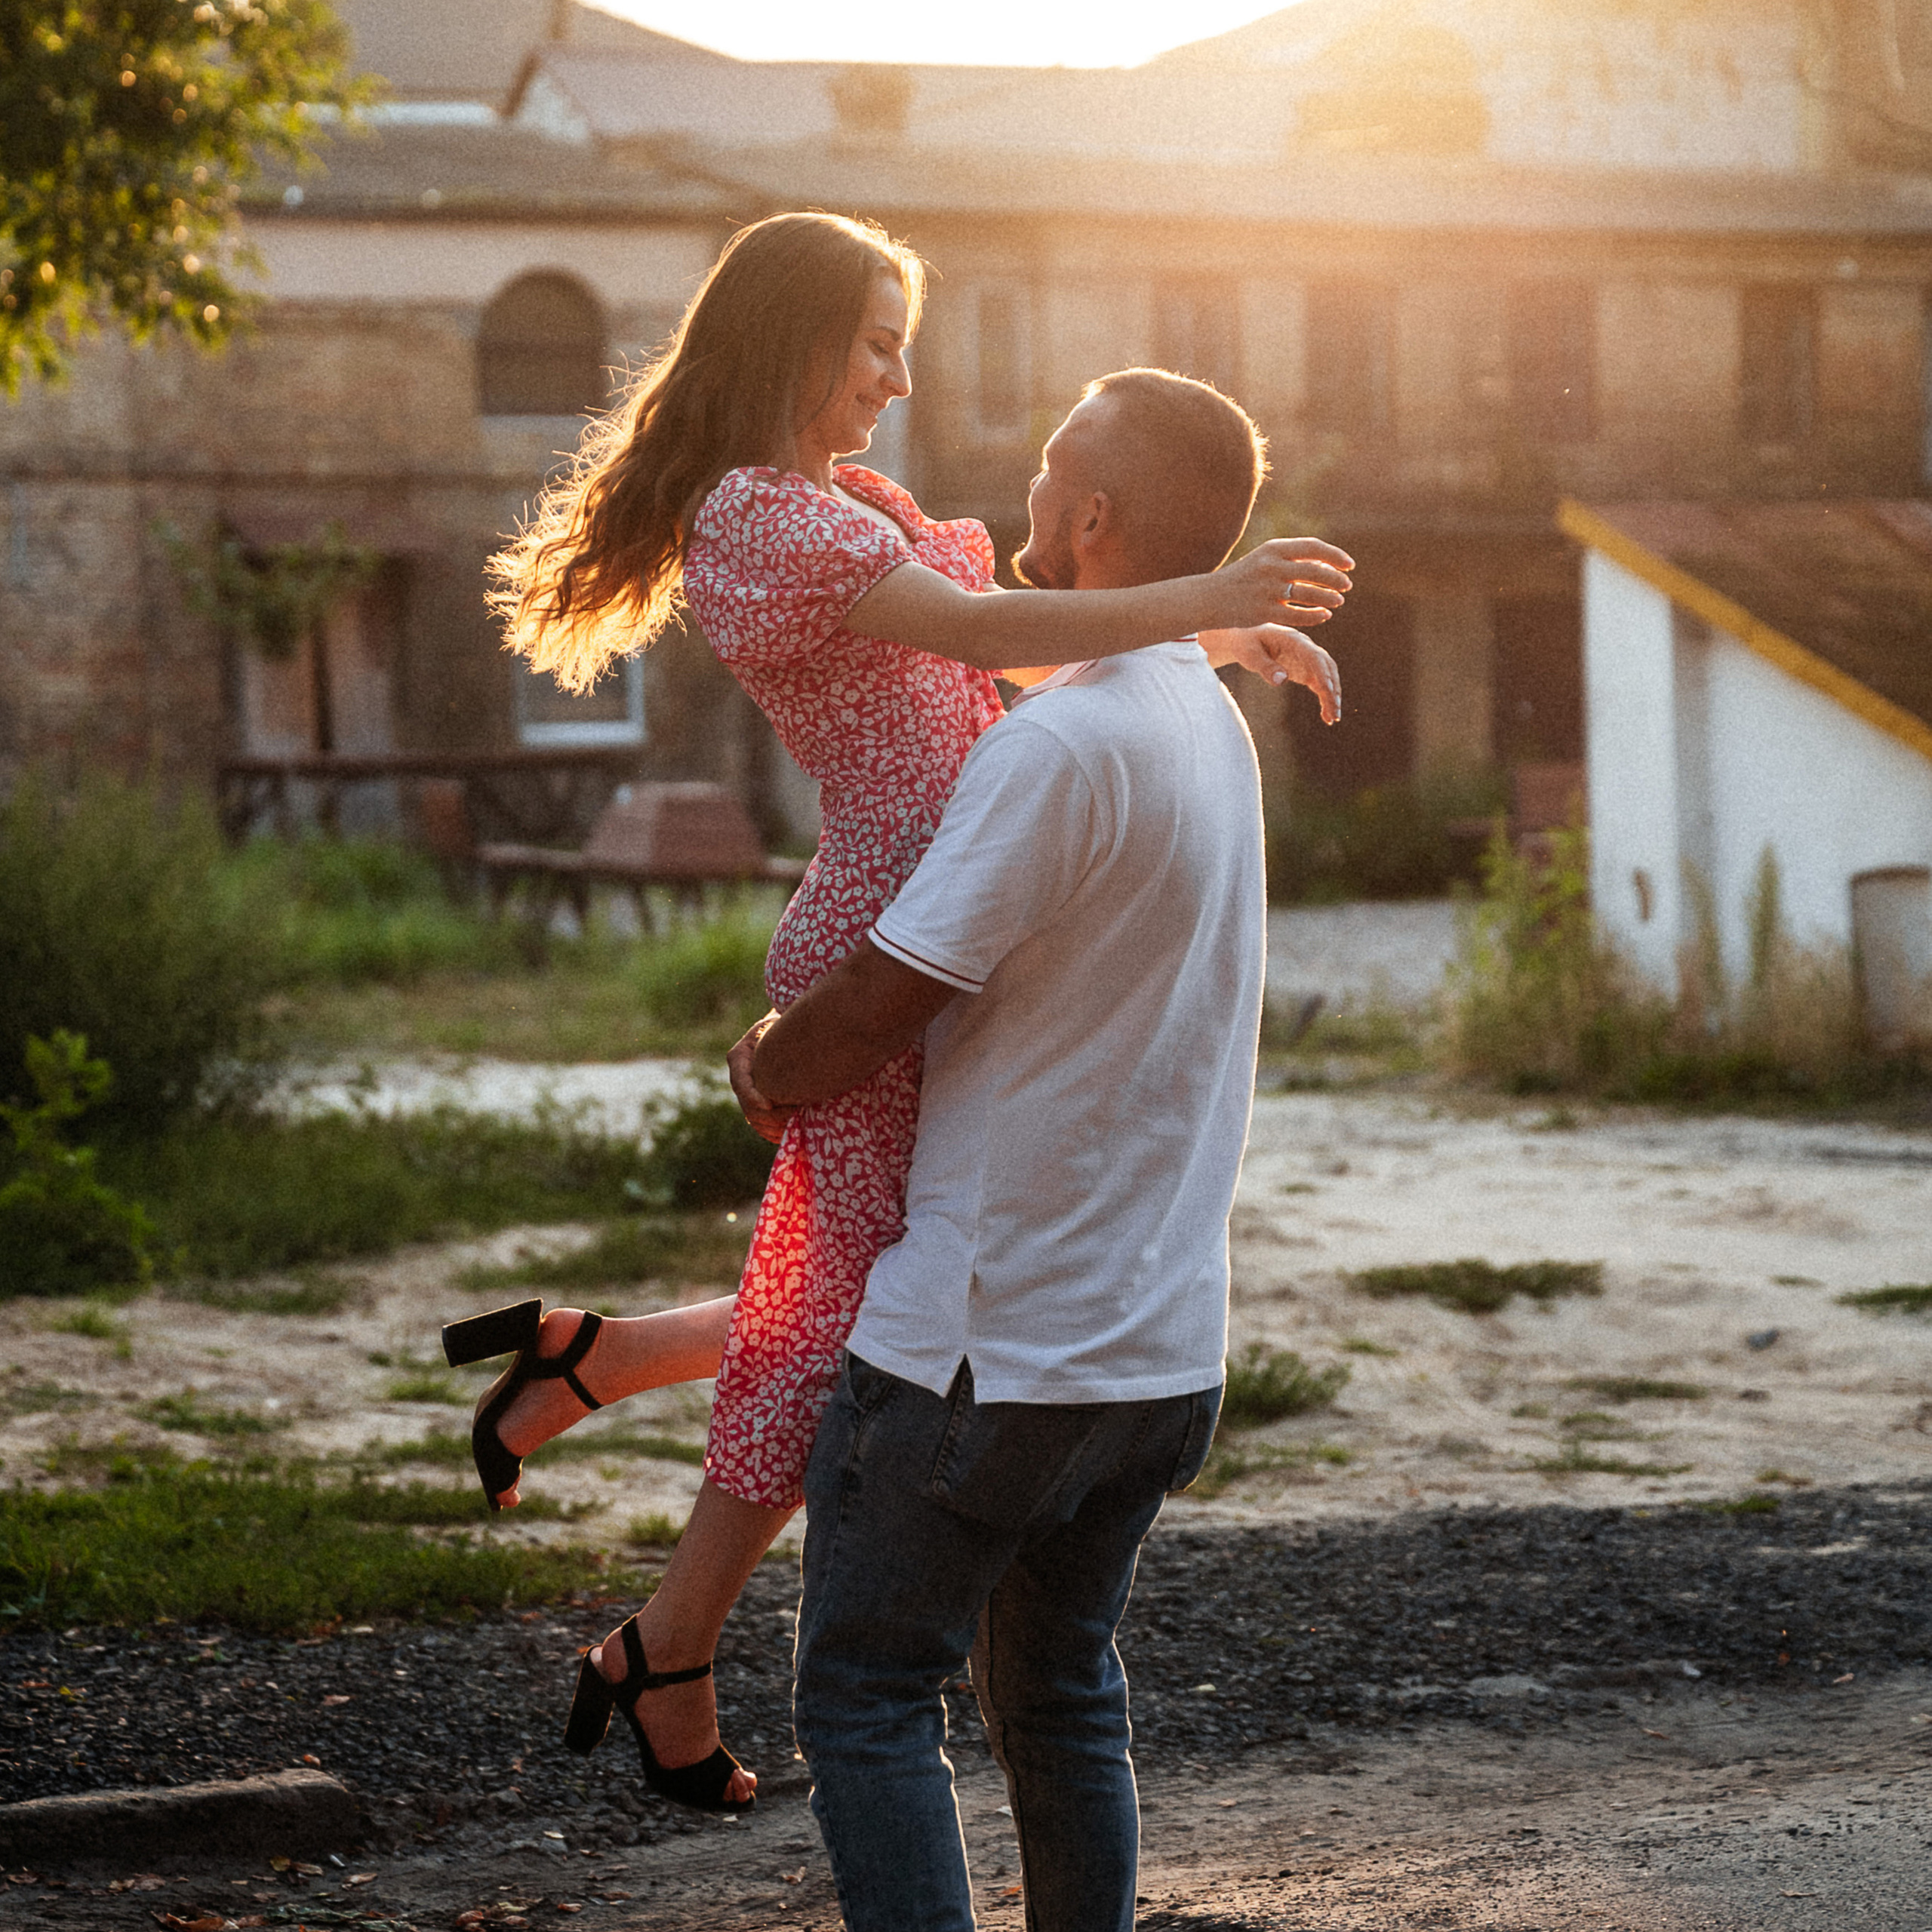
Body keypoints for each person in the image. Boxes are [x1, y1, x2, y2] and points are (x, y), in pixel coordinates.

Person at [441, 211, 1350, 1814]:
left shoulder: (843, 499)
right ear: (785, 335)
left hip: (962, 904)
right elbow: (993, 633)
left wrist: (1205, 632)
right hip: (890, 927)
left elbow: (980, 679)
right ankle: (666, 1637)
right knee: (853, 1328)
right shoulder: (755, 521)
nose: (899, 371)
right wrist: (1197, 589)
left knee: (869, 1296)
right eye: (874, 338)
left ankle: (605, 1394)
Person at [740, 367, 1274, 1932]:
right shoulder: (1202, 721)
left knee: (864, 1689)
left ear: (1090, 519)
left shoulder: (1060, 746)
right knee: (1058, 1694)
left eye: (1048, 471)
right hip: (1157, 1357)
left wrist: (766, 1064)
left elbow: (883, 1002)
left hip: (989, 1354)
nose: (1026, 493)